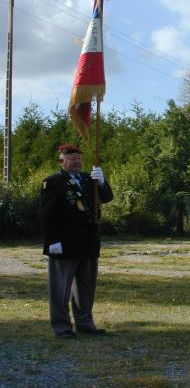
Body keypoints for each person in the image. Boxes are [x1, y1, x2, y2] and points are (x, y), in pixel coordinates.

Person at [39, 144, 113, 338]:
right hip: (65, 243)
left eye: (79, 160)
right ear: (61, 161)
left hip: (88, 242)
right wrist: (52, 240)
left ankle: (85, 322)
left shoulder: (89, 179)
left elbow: (106, 198)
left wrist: (103, 182)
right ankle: (62, 326)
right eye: (72, 160)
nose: (77, 163)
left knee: (86, 286)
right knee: (60, 288)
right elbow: (47, 215)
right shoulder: (54, 182)